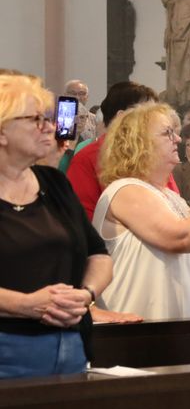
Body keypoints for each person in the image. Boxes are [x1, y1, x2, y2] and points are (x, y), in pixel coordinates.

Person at [0, 74, 113, 378]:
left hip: (70, 344)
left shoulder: (54, 183)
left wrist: (86, 294)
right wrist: (25, 304)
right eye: (36, 119)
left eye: (48, 118)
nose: (49, 127)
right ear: (2, 133)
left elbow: (98, 254)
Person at [94, 103, 190, 320]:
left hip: (176, 334)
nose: (178, 139)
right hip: (133, 335)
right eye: (168, 133)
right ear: (139, 142)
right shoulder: (126, 190)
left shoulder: (172, 197)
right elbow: (182, 238)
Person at [67, 81, 160, 219]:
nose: (156, 123)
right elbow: (83, 219)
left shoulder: (153, 155)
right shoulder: (86, 159)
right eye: (147, 116)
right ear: (122, 117)